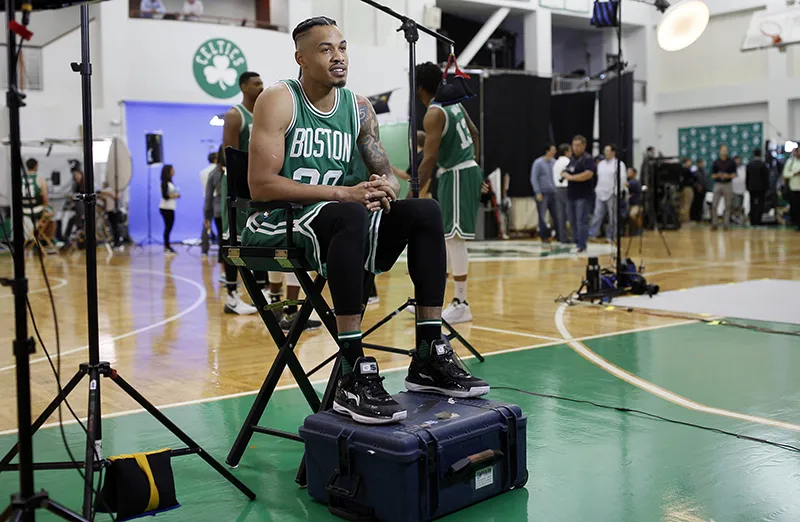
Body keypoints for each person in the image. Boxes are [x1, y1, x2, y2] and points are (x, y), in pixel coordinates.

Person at [244, 17, 489, 424]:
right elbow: (261, 185)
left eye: (342, 48)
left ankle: (428, 353)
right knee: (349, 212)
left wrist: (384, 185)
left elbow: (385, 170)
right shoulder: (279, 99)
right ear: (300, 58)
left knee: (425, 212)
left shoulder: (359, 107)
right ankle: (351, 368)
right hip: (279, 220)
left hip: (339, 216)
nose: (338, 57)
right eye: (326, 49)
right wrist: (345, 193)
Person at [416, 61, 482, 325]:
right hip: (460, 170)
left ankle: (462, 303)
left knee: (454, 240)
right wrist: (475, 166)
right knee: (446, 239)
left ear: (419, 87)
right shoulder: (454, 104)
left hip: (456, 172)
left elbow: (429, 159)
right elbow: (474, 133)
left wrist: (413, 192)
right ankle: (435, 301)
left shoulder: (434, 113)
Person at [561, 135, 595, 254]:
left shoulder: (588, 159)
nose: (575, 148)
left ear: (584, 146)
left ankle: (582, 245)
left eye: (578, 145)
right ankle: (576, 242)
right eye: (574, 145)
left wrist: (572, 177)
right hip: (571, 195)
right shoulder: (572, 159)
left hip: (583, 196)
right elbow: (565, 171)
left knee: (581, 220)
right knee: (572, 220)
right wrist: (564, 174)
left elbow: (588, 174)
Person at [589, 144, 625, 243]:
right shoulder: (601, 164)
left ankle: (611, 235)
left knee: (612, 216)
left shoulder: (619, 164)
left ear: (613, 152)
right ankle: (593, 233)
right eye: (605, 150)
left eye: (608, 151)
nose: (606, 153)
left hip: (612, 193)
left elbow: (622, 179)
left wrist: (617, 191)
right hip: (600, 192)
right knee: (597, 214)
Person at [530, 144, 559, 243]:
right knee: (542, 216)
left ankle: (557, 234)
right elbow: (534, 178)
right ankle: (544, 236)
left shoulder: (555, 162)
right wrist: (537, 191)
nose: (555, 151)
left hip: (554, 193)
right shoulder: (538, 163)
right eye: (553, 149)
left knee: (557, 215)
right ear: (547, 151)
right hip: (543, 193)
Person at [21, 158, 52, 242]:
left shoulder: (20, 179)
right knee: (51, 211)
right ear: (36, 166)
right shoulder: (40, 179)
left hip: (23, 210)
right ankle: (45, 239)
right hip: (37, 209)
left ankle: (36, 232)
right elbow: (45, 199)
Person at [710, 144, 737, 231]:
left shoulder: (731, 162)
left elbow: (734, 174)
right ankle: (714, 223)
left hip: (727, 184)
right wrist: (718, 175)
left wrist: (727, 175)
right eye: (723, 150)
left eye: (726, 150)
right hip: (718, 184)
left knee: (728, 205)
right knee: (714, 205)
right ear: (720, 151)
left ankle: (726, 224)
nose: (724, 152)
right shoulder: (716, 162)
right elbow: (712, 175)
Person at [200, 151, 218, 259]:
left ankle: (204, 251)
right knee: (222, 224)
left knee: (207, 223)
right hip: (217, 199)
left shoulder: (202, 172)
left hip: (206, 199)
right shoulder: (217, 170)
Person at [552, 143, 571, 244]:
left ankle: (562, 237)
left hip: (557, 189)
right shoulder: (567, 161)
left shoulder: (556, 162)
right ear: (566, 152)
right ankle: (572, 236)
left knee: (561, 214)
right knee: (571, 213)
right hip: (566, 188)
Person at [159, 165, 179, 254]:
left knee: (169, 227)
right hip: (166, 208)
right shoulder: (164, 183)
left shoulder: (170, 182)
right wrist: (175, 196)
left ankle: (167, 245)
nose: (174, 171)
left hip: (170, 207)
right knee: (168, 228)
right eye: (172, 170)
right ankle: (167, 247)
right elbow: (165, 196)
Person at [746, 149, 769, 226]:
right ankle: (759, 220)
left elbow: (747, 178)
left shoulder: (749, 165)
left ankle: (752, 221)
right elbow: (766, 178)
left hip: (751, 188)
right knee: (760, 204)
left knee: (752, 204)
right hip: (761, 188)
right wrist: (767, 187)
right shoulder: (763, 165)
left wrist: (747, 187)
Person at [783, 146, 800, 231]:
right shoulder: (791, 162)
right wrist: (794, 174)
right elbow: (785, 174)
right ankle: (797, 223)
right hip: (794, 188)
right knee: (796, 207)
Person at [690, 158, 708, 223]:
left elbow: (705, 180)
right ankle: (695, 217)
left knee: (701, 204)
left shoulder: (704, 170)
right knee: (696, 203)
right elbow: (693, 180)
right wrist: (697, 186)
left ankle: (700, 217)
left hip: (704, 189)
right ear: (698, 164)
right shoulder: (694, 170)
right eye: (700, 163)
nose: (702, 164)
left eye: (702, 163)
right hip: (697, 190)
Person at [626, 167, 643, 234]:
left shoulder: (634, 182)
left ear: (634, 173)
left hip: (636, 204)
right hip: (631, 204)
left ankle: (639, 229)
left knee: (632, 215)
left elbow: (625, 184)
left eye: (629, 172)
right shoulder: (631, 181)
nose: (627, 173)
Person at [679, 157, 694, 223]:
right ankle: (685, 219)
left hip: (681, 188)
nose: (691, 163)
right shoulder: (687, 170)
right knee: (687, 204)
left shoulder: (680, 169)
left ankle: (681, 218)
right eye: (689, 161)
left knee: (682, 204)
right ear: (686, 162)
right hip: (687, 188)